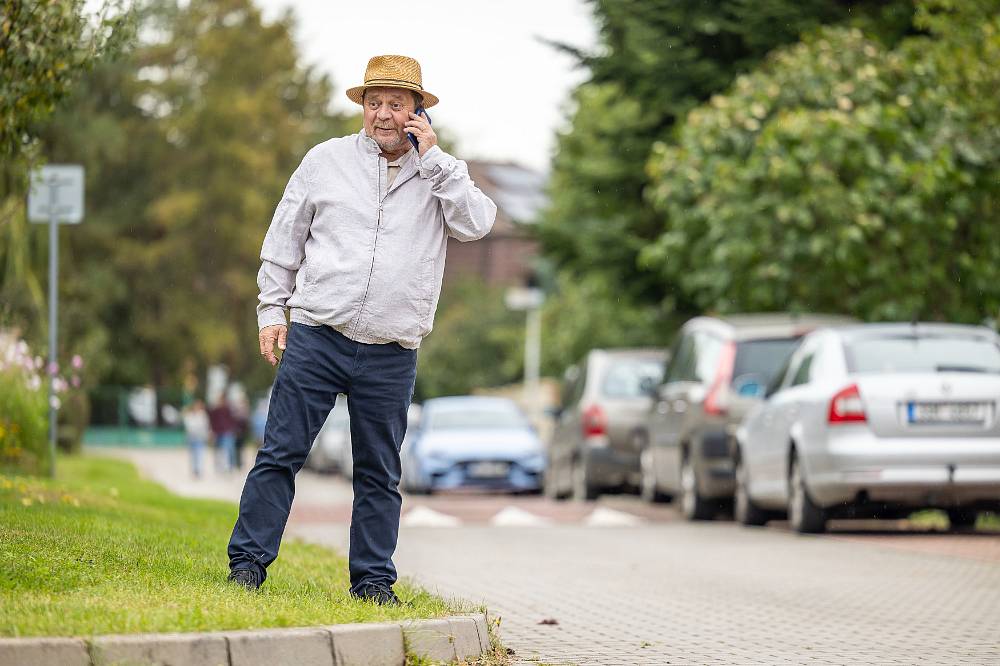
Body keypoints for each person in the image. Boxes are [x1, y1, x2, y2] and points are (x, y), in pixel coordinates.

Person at [226, 55, 496, 604]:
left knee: (378, 474)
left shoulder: (442, 174)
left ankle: (372, 582)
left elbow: (478, 224)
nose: (383, 114)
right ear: (363, 108)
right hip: (317, 334)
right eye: (374, 102)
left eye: (397, 103)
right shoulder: (324, 162)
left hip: (392, 349)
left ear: (418, 112)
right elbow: (283, 243)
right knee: (280, 453)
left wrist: (437, 160)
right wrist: (271, 312)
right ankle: (247, 567)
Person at [182, 399, 211, 479]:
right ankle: (194, 470)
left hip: (200, 437)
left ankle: (199, 470)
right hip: (192, 438)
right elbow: (188, 426)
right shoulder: (189, 415)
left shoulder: (202, 415)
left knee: (199, 454)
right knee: (193, 455)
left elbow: (205, 426)